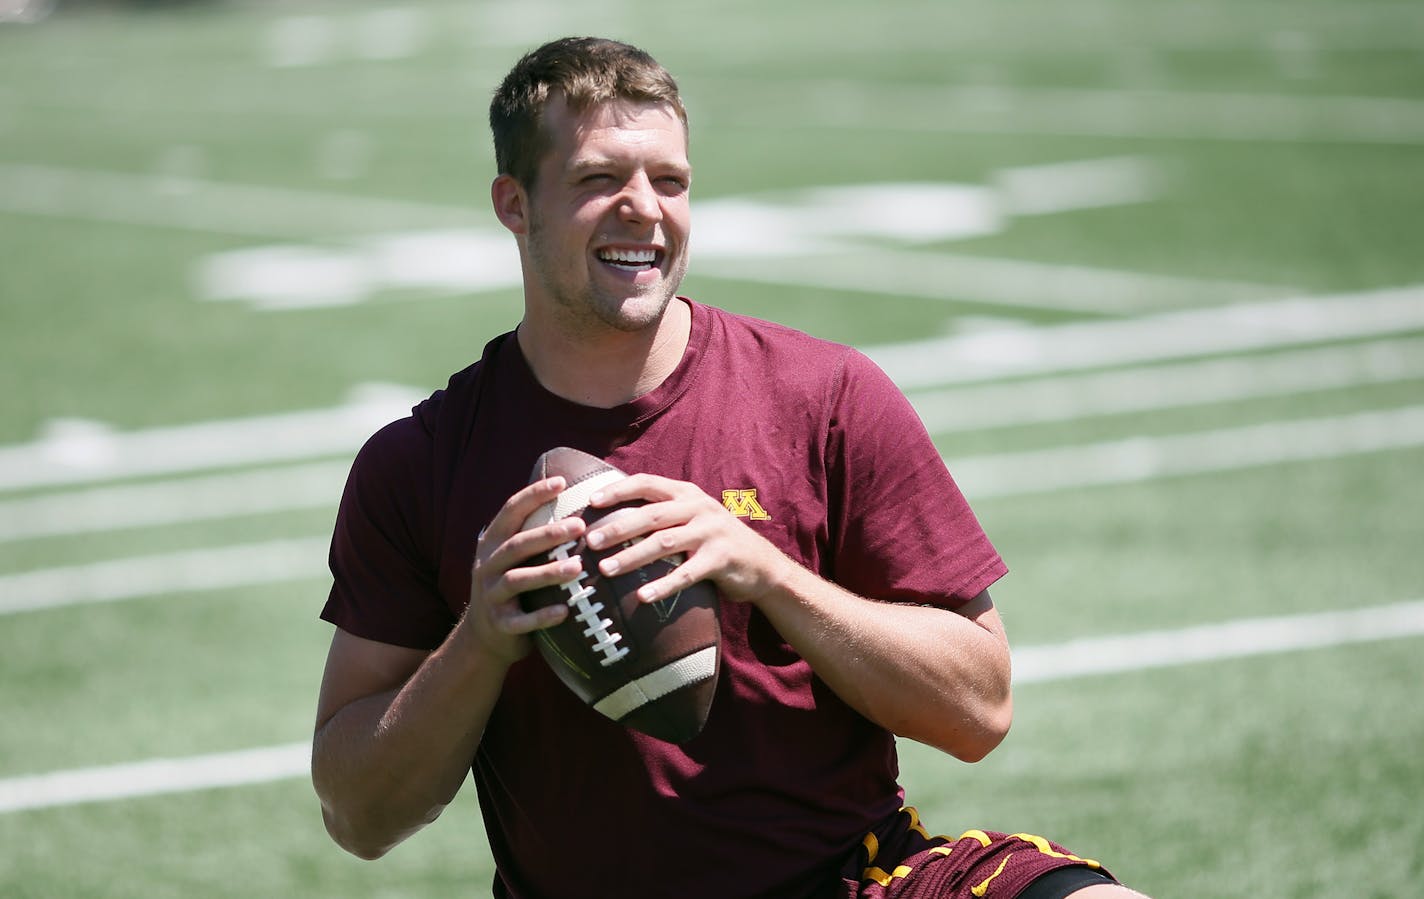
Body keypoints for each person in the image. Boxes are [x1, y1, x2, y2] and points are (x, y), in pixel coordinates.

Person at [311, 36, 1150, 899]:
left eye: (669, 181)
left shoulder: (823, 394)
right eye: (601, 179)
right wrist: (481, 641)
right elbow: (357, 815)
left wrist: (768, 572)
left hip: (859, 880)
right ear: (514, 203)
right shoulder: (419, 465)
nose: (644, 209)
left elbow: (981, 709)